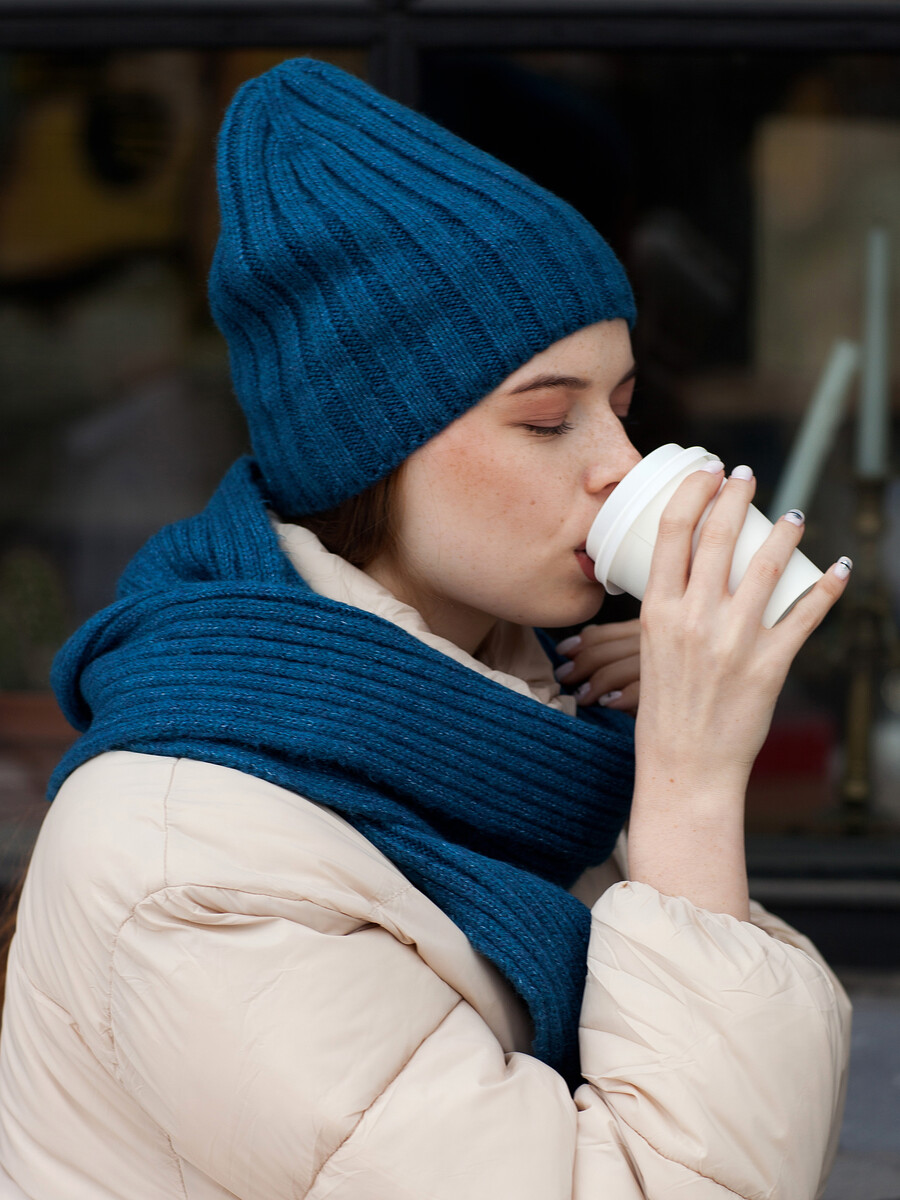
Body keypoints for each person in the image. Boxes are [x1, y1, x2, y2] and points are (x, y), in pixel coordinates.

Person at [0, 58, 851, 1199]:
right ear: (369, 449)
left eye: (622, 407)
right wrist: (690, 789)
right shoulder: (192, 865)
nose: (623, 465)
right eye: (546, 420)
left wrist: (662, 766)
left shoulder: (519, 734)